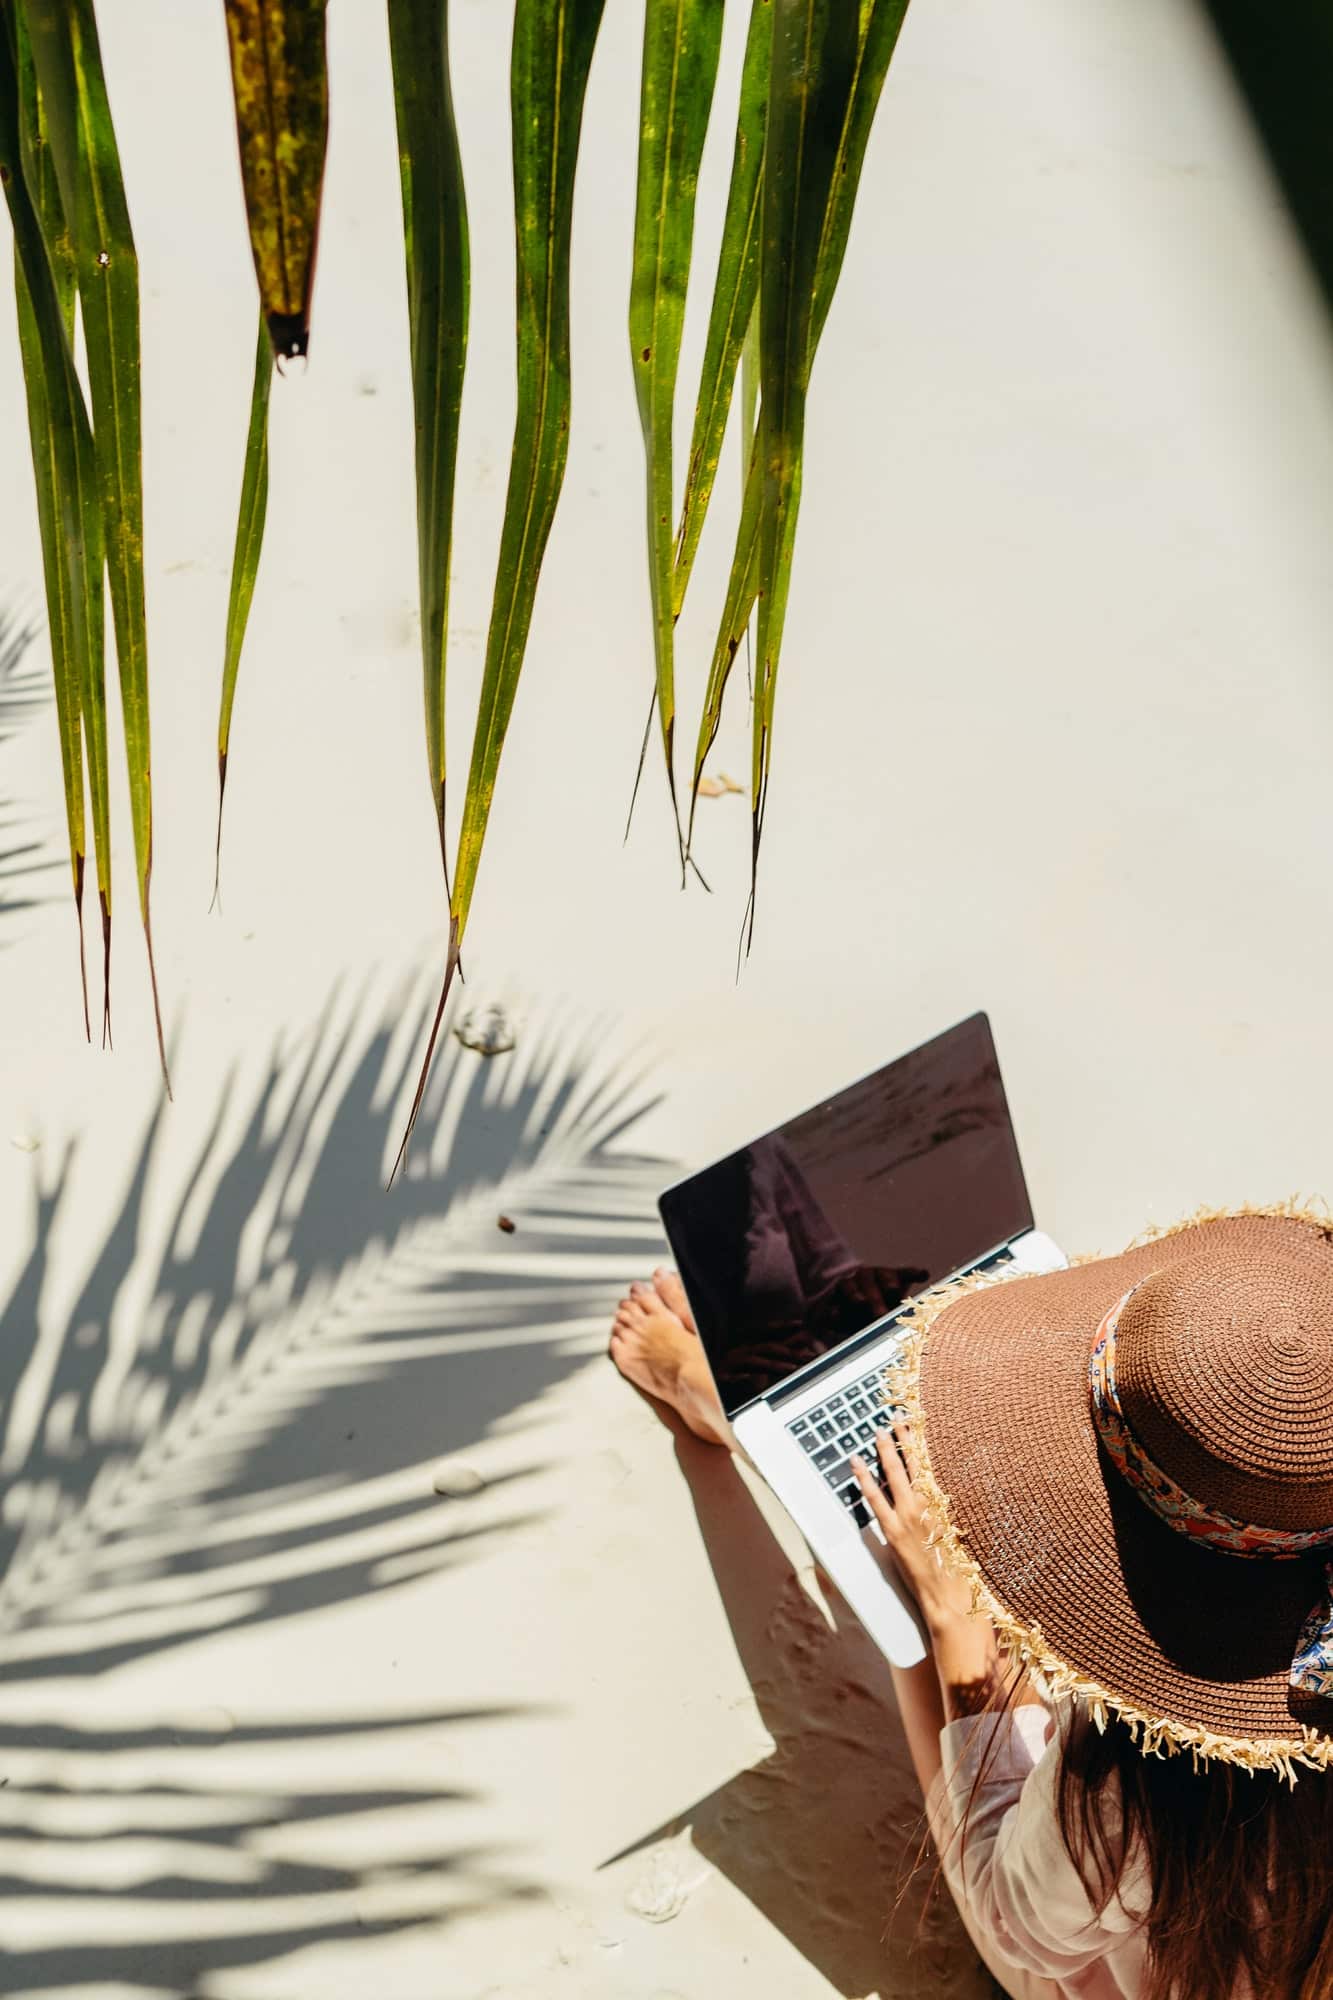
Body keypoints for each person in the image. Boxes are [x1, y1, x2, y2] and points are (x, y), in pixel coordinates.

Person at [609, 1206, 1333, 2000]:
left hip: (1134, 1961)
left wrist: (953, 1627)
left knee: (942, 1579)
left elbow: (1012, 1918)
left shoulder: (1140, 1796)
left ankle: (734, 1415)